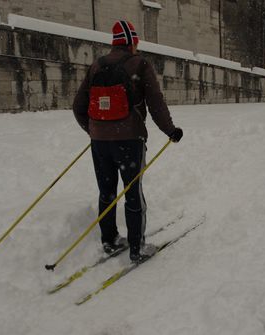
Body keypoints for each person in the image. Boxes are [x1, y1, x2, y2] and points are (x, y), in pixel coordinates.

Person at [73, 20, 183, 263]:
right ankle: (137, 248)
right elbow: (155, 102)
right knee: (133, 192)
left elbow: (78, 107)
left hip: (100, 143)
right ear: (132, 42)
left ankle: (109, 240)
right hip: (129, 140)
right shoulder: (140, 64)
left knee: (106, 191)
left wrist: (93, 131)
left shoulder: (96, 66)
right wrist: (170, 130)